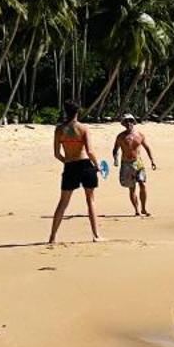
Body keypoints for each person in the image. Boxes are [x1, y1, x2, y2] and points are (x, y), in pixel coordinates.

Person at [47, 102, 101, 244]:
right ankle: (96, 235)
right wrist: (98, 165)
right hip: (85, 164)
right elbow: (90, 151)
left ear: (65, 112)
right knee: (90, 200)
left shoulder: (59, 129)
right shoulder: (83, 128)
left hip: (70, 165)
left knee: (63, 202)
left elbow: (57, 154)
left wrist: (67, 162)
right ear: (77, 112)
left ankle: (52, 237)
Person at [111, 114, 158, 217]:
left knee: (142, 184)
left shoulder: (140, 135)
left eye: (130, 121)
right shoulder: (120, 136)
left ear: (133, 122)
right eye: (126, 121)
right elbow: (115, 149)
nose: (129, 123)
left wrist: (152, 160)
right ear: (123, 124)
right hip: (126, 163)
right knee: (132, 188)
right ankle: (136, 210)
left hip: (138, 162)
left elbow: (147, 147)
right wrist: (115, 159)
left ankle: (144, 208)